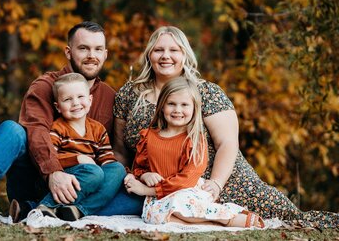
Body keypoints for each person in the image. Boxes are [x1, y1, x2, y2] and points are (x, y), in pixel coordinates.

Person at [112, 25, 339, 228]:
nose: (166, 56)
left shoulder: (206, 93)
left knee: (284, 217)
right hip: (159, 187)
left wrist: (216, 185)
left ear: (185, 55)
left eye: (174, 50)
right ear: (149, 54)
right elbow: (121, 150)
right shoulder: (130, 94)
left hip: (219, 181)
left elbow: (228, 143)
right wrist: (132, 177)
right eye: (159, 50)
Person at [0, 21, 118, 225]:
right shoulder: (45, 86)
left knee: (119, 175)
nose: (91, 55)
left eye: (97, 49)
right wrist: (53, 171)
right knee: (12, 130)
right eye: (83, 48)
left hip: (83, 182)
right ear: (68, 52)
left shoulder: (110, 97)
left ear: (105, 54)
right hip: (37, 178)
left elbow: (110, 151)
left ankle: (36, 210)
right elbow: (36, 130)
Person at [124, 76, 265, 228]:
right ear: (162, 106)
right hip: (159, 197)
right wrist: (145, 175)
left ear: (194, 109)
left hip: (187, 191)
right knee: (153, 217)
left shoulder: (194, 139)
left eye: (184, 105)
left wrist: (147, 190)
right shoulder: (148, 136)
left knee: (179, 203)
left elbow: (188, 179)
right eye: (171, 104)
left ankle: (229, 217)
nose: (178, 110)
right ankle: (214, 223)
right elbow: (139, 166)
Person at [35, 73, 125, 221]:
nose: (75, 103)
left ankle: (77, 210)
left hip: (92, 178)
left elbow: (107, 159)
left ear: (90, 100)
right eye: (67, 99)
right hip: (65, 178)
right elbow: (52, 157)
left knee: (117, 169)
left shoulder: (98, 129)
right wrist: (77, 159)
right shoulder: (58, 128)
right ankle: (46, 205)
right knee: (94, 172)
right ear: (58, 107)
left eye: (80, 97)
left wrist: (122, 175)